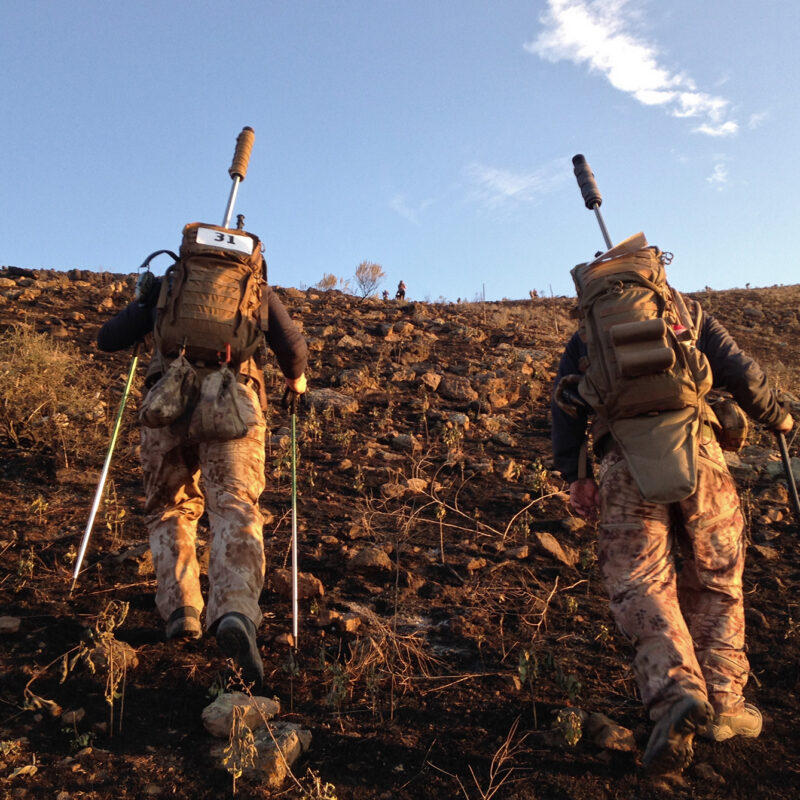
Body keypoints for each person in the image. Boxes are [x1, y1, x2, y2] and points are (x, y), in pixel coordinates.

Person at [552, 282, 793, 775]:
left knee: (640, 584)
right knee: (718, 577)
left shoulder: (587, 335)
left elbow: (565, 404)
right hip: (700, 453)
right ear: (654, 275)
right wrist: (779, 417)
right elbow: (740, 371)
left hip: (622, 465)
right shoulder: (688, 314)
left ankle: (675, 695)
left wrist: (576, 476)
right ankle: (725, 705)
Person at [98, 266, 307, 690]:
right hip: (234, 399)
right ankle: (235, 613)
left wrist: (147, 303)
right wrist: (296, 381)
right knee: (234, 505)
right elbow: (292, 348)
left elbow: (108, 339)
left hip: (167, 399)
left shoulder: (170, 286)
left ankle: (182, 610)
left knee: (170, 508)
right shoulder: (255, 291)